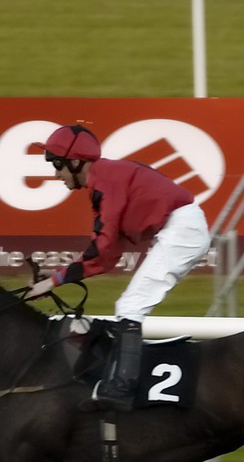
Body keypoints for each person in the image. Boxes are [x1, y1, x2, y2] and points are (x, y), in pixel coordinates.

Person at [25, 124, 211, 411]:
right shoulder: (105, 180)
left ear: (75, 162)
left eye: (57, 165)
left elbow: (102, 250)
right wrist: (60, 277)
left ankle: (122, 387)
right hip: (180, 227)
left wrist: (52, 283)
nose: (55, 175)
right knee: (129, 306)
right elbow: (107, 252)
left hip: (182, 230)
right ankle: (120, 381)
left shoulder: (106, 182)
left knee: (131, 306)